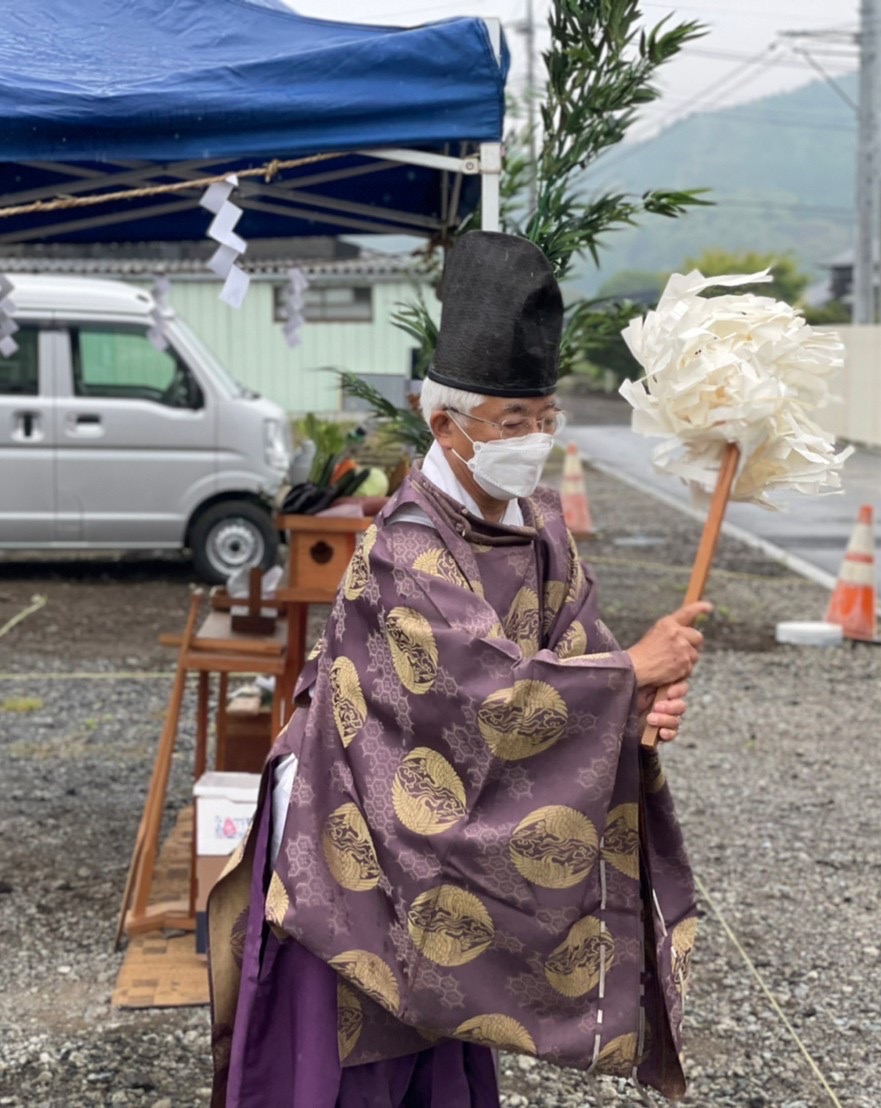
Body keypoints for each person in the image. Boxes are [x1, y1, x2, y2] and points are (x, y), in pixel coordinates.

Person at [207, 231, 708, 1107]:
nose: (535, 439)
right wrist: (627, 674)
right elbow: (484, 694)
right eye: (513, 423)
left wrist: (631, 704)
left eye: (545, 418)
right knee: (347, 1057)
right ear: (447, 425)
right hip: (354, 836)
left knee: (443, 1026)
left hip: (435, 846)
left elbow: (578, 654)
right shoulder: (405, 541)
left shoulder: (541, 524)